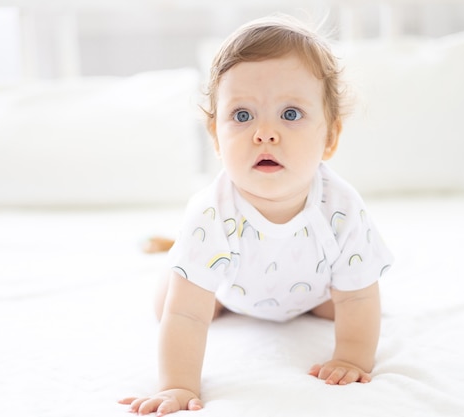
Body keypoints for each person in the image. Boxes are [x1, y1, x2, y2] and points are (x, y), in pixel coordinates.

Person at [119, 14, 393, 416]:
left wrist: (352, 356)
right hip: (232, 288)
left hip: (310, 289)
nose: (265, 133)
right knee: (173, 304)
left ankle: (304, 299)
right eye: (243, 116)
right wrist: (178, 385)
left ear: (330, 137)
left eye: (291, 114)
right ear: (216, 136)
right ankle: (179, 257)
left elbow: (360, 295)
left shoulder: (341, 208)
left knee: (348, 299)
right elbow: (184, 315)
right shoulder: (211, 213)